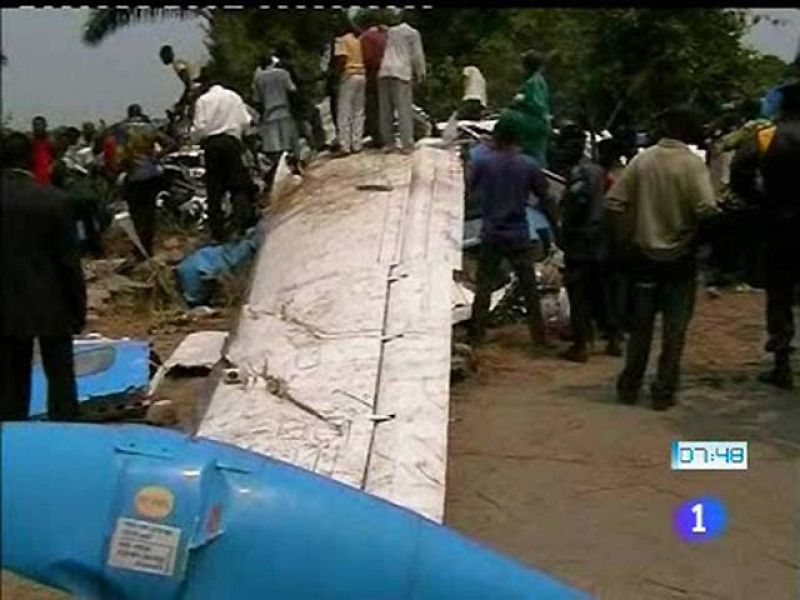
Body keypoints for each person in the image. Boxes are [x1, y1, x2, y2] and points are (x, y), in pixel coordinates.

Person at [607, 105, 719, 410]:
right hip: (680, 261)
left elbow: (615, 202)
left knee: (640, 329)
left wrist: (626, 242)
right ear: (686, 130)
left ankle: (630, 386)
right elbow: (707, 210)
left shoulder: (642, 161)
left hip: (644, 258)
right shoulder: (692, 165)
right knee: (674, 331)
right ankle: (663, 391)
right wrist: (697, 243)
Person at [0, 132, 86, 421]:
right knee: (61, 379)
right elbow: (69, 263)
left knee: (10, 385)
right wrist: (78, 310)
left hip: (6, 303)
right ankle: (64, 431)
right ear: (30, 159)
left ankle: (13, 436)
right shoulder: (55, 200)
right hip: (53, 301)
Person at [730, 82, 800, 390]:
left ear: (782, 105)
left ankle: (782, 364)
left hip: (778, 225)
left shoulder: (765, 136)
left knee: (780, 293)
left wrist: (761, 201)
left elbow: (739, 175)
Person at [467, 116, 555, 349]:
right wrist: (557, 226)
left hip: (491, 233)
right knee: (529, 287)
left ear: (496, 137)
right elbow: (545, 197)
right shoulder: (528, 165)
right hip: (518, 233)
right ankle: (539, 338)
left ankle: (476, 335)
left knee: (484, 286)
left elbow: (469, 191)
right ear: (518, 138)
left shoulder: (484, 164)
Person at [558, 125, 617, 363]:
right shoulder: (599, 171)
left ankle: (581, 344)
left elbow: (577, 204)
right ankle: (613, 338)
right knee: (601, 291)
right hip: (601, 238)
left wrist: (565, 228)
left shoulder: (579, 173)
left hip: (582, 240)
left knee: (579, 292)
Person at [192, 68, 255, 242]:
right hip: (232, 142)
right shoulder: (233, 96)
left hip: (212, 145)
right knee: (237, 184)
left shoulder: (202, 101)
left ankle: (218, 234)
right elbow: (245, 121)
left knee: (214, 190)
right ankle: (243, 224)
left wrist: (197, 139)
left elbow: (199, 128)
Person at [117, 104, 177, 257]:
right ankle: (148, 247)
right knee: (149, 212)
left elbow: (120, 154)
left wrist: (124, 167)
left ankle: (139, 248)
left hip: (134, 175)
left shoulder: (122, 129)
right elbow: (171, 144)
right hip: (151, 173)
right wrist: (156, 157)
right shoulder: (150, 128)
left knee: (136, 214)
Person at [378, 14, 426, 154]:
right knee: (403, 109)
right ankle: (407, 144)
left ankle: (388, 143)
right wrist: (420, 73)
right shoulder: (413, 33)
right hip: (401, 71)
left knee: (385, 109)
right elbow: (417, 55)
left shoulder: (392, 31)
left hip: (384, 70)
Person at [500, 50, 552, 167]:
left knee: (505, 116)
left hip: (536, 121)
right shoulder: (535, 80)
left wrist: (521, 100)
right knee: (534, 153)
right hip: (539, 124)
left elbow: (538, 105)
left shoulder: (534, 82)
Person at [252, 52, 300, 161]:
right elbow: (292, 90)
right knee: (289, 141)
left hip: (269, 115)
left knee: (276, 146)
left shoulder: (258, 79)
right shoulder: (283, 73)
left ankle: (282, 163)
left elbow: (257, 100)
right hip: (284, 111)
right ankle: (296, 162)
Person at [334, 23, 367, 156]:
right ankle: (357, 144)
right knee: (358, 111)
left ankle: (345, 146)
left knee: (344, 111)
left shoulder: (342, 40)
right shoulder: (358, 40)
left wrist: (337, 74)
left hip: (349, 75)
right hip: (361, 74)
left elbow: (342, 58)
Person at [359, 13, 388, 146]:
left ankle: (377, 137)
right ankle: (386, 134)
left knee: (372, 107)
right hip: (386, 73)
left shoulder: (366, 38)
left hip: (373, 74)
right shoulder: (384, 36)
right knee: (384, 106)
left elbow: (368, 58)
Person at [159, 45, 197, 117]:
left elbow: (187, 82)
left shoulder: (176, 64)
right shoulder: (180, 60)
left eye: (162, 57)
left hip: (195, 86)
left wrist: (182, 101)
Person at [30, 115, 55, 185]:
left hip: (49, 178)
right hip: (34, 178)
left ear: (45, 126)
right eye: (35, 125)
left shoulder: (51, 142)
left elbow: (56, 158)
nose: (37, 128)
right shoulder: (30, 143)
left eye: (40, 125)